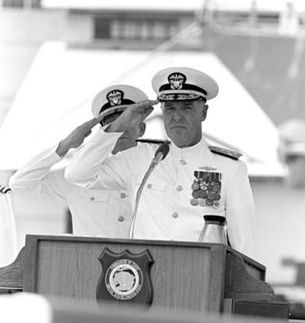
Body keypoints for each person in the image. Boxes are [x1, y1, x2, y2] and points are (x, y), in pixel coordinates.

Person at [65, 67, 255, 257]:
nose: (177, 116)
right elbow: (77, 175)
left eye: (186, 107)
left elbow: (244, 243)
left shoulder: (230, 169)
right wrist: (119, 125)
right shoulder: (141, 158)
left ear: (203, 112)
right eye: (170, 108)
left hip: (201, 278)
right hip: (146, 277)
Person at [2, 84, 149, 238]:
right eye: (113, 125)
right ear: (103, 131)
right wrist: (65, 145)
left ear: (141, 128)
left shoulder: (158, 167)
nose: (120, 130)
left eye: (126, 122)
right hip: (90, 260)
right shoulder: (80, 173)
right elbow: (21, 184)